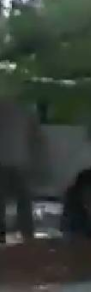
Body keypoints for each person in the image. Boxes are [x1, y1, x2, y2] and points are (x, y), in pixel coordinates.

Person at [0, 97, 39, 244]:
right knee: (24, 202)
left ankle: (2, 238)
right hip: (20, 161)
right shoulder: (26, 107)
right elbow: (35, 136)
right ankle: (28, 236)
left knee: (2, 202)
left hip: (4, 160)